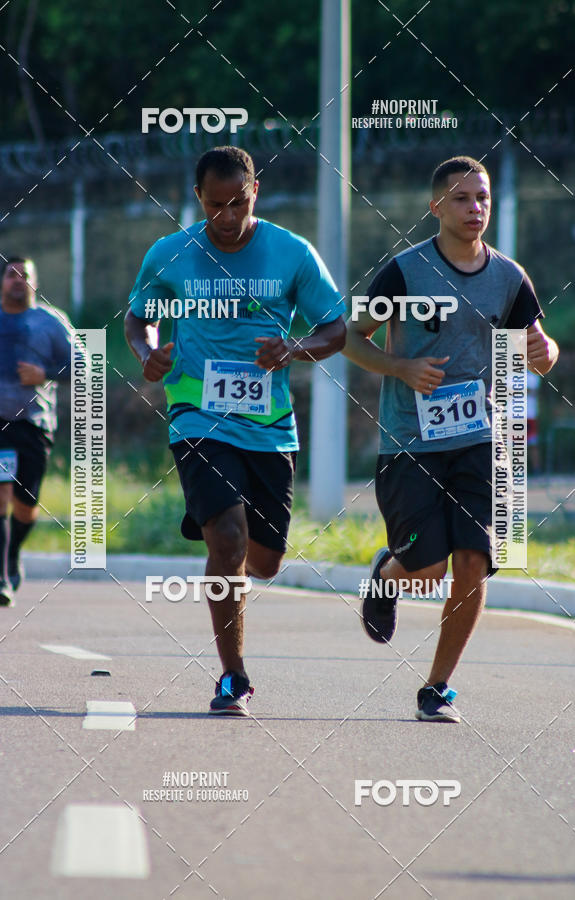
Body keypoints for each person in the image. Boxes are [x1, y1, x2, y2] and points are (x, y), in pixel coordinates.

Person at [125, 146, 346, 715]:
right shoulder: (170, 253)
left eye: (239, 203)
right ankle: (233, 677)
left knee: (265, 560)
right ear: (198, 198)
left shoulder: (290, 252)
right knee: (228, 539)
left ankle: (217, 521)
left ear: (257, 192)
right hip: (195, 412)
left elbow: (336, 329)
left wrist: (294, 348)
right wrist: (147, 352)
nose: (227, 218)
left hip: (268, 424)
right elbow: (138, 316)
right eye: (215, 205)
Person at [344, 156, 558, 722]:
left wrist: (545, 353)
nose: (476, 209)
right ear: (436, 207)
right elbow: (349, 336)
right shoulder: (404, 273)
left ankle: (436, 688)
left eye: (483, 198)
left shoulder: (510, 278)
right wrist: (399, 368)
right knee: (428, 568)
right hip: (410, 443)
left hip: (479, 440)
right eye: (463, 199)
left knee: (473, 562)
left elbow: (539, 344)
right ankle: (389, 574)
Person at [0, 256, 72, 606]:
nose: (17, 280)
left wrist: (45, 374)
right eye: (11, 274)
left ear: (35, 282)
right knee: (0, 493)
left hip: (34, 424)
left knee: (26, 506)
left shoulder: (49, 321)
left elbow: (84, 364)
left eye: (24, 275)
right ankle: (1, 575)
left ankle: (13, 552)